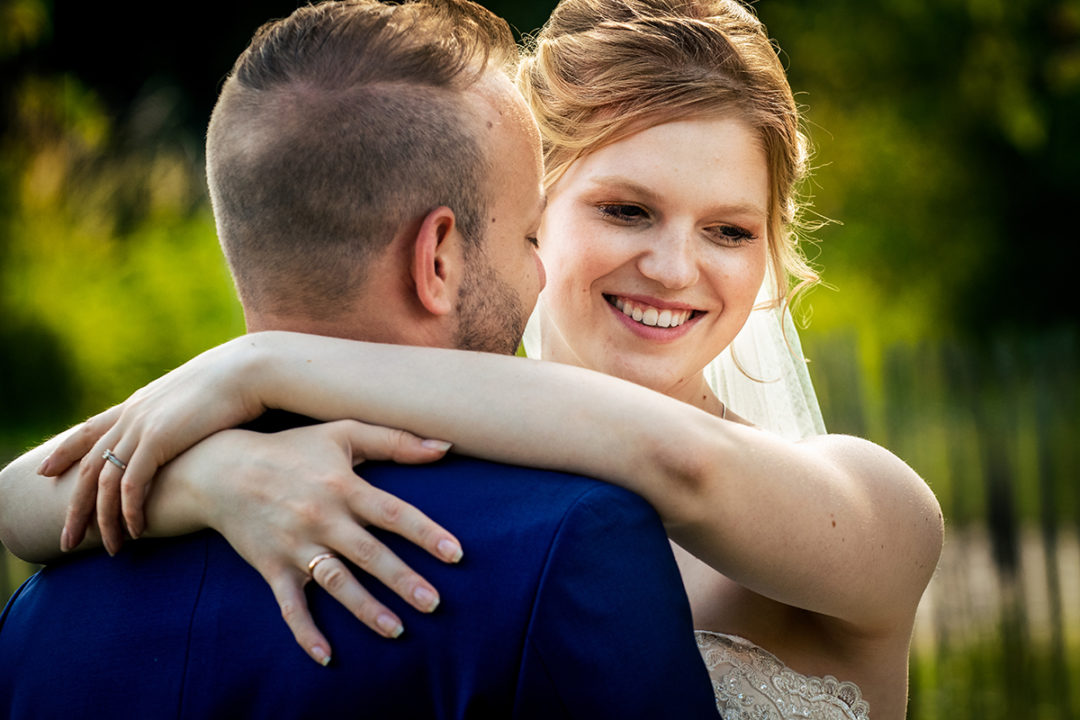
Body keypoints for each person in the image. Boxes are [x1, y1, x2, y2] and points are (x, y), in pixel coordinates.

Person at [2, 0, 945, 718]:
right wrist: (210, 477)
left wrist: (256, 368)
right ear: (531, 218)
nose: (674, 267)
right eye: (625, 210)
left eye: (730, 230)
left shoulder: (872, 504)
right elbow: (19, 498)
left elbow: (682, 464)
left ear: (774, 256)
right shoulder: (432, 456)